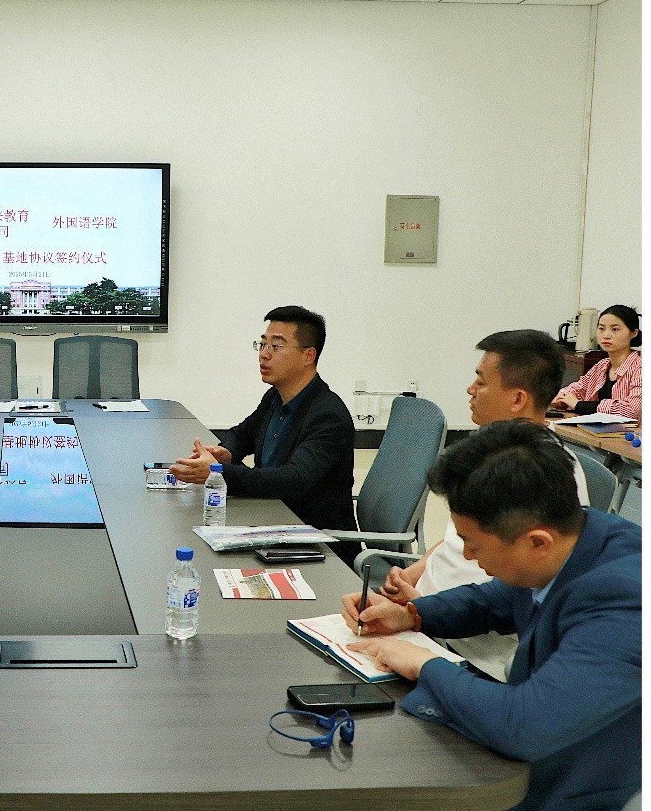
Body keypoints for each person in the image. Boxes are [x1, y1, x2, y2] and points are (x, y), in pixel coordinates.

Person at [342, 419, 640, 811]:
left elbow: (525, 726)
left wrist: (424, 664)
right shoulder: (578, 532)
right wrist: (411, 615)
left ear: (537, 543)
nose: (466, 556)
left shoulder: (625, 605)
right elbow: (497, 600)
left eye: (473, 544)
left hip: (568, 787)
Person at [378, 329, 588, 681]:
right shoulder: (491, 456)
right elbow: (461, 538)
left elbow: (509, 594)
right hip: (426, 617)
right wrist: (415, 576)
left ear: (518, 399)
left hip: (470, 652)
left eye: (481, 381)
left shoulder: (542, 476)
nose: (470, 389)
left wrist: (423, 611)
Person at [170, 305, 357, 560]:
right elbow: (241, 434)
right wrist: (225, 452)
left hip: (317, 545)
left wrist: (219, 473)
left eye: (276, 346)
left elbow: (293, 480)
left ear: (308, 355)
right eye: (262, 344)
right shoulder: (275, 397)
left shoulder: (328, 416)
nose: (264, 354)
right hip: (272, 523)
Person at [552, 304, 642, 420]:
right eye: (601, 329)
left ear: (634, 333)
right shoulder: (602, 365)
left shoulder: (640, 368)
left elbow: (631, 410)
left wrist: (579, 405)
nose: (606, 335)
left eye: (615, 329)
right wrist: (561, 397)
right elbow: (578, 389)